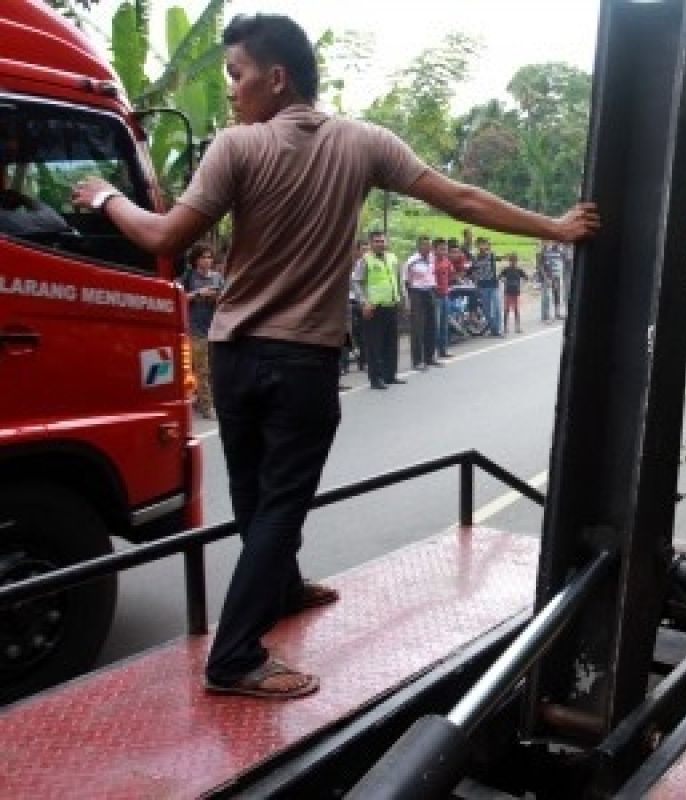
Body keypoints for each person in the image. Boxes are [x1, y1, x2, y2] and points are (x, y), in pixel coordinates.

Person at [70, 13, 598, 700]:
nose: (231, 91)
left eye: (237, 75)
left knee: (262, 498)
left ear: (276, 77)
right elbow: (458, 197)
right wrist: (553, 227)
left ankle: (254, 622)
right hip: (303, 362)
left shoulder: (236, 148)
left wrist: (106, 196)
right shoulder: (363, 143)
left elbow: (163, 234)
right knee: (279, 502)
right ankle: (239, 651)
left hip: (233, 358)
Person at [355, 230, 403, 389]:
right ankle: (376, 379)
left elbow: (398, 280)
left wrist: (403, 299)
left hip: (391, 305)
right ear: (370, 243)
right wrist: (364, 303)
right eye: (376, 241)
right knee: (374, 345)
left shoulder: (392, 258)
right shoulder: (365, 260)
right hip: (374, 308)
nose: (380, 244)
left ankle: (390, 375)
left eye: (382, 241)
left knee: (391, 343)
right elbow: (356, 283)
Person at [183, 243, 223, 418]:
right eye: (203, 257)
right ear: (195, 260)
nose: (207, 260)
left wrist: (217, 296)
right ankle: (207, 407)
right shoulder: (188, 277)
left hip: (215, 328)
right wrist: (199, 294)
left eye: (209, 257)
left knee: (214, 368)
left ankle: (202, 400)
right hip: (195, 329)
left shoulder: (217, 278)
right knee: (202, 369)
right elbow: (178, 297)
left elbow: (227, 296)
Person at [406, 235, 439, 368]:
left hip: (430, 291)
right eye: (424, 245)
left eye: (429, 245)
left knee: (431, 325)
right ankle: (417, 360)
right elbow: (406, 281)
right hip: (416, 293)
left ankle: (429, 357)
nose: (428, 247)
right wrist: (408, 300)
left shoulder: (432, 258)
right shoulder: (412, 261)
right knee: (418, 327)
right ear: (419, 246)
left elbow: (432, 275)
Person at [342, 240, 367, 376]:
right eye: (362, 249)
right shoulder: (349, 265)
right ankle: (344, 365)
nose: (365, 252)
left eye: (366, 249)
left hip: (361, 302)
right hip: (348, 302)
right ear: (356, 251)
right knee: (348, 334)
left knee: (363, 333)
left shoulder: (367, 264)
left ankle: (363, 362)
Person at [470, 235, 502, 336]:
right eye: (480, 244)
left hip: (493, 284)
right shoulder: (475, 258)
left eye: (484, 244)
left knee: (497, 307)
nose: (482, 246)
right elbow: (475, 272)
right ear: (477, 246)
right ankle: (493, 328)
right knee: (486, 310)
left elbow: (494, 267)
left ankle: (498, 329)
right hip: (482, 285)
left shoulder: (491, 255)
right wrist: (476, 284)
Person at [431, 236, 453, 359]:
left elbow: (450, 273)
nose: (443, 251)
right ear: (434, 249)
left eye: (445, 249)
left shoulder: (446, 260)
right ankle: (433, 352)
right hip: (435, 296)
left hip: (445, 295)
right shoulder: (431, 262)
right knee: (436, 325)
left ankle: (443, 350)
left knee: (444, 324)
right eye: (441, 249)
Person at [500, 252, 528, 333]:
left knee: (514, 310)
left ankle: (516, 327)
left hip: (514, 292)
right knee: (508, 310)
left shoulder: (518, 270)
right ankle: (507, 327)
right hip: (509, 292)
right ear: (510, 261)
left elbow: (526, 278)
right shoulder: (507, 270)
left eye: (514, 261)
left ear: (516, 261)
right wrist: (503, 280)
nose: (513, 262)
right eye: (512, 261)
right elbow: (500, 277)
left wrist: (522, 283)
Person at [540, 241, 567, 320]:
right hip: (549, 277)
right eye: (556, 243)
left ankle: (557, 313)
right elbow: (543, 266)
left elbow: (564, 262)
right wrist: (547, 278)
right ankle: (546, 316)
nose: (558, 244)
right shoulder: (547, 253)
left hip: (557, 277)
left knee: (557, 295)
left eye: (558, 243)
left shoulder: (560, 253)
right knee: (547, 296)